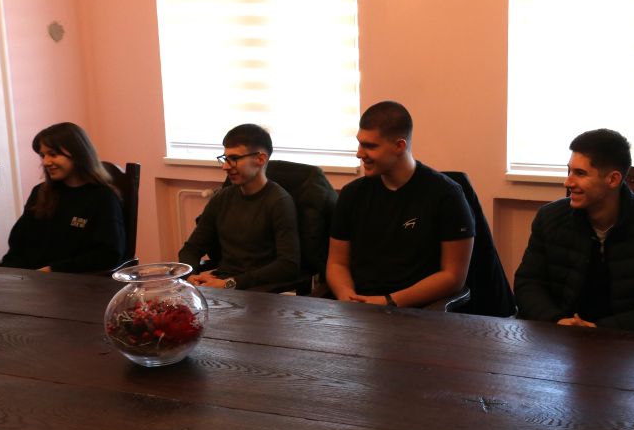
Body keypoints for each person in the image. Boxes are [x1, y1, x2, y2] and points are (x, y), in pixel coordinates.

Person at [514, 129, 634, 333]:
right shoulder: (549, 218)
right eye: (569, 171)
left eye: (580, 173)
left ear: (613, 180)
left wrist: (600, 329)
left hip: (628, 341)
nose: (568, 182)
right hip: (560, 335)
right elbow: (528, 283)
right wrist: (557, 321)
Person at [326, 101, 475, 307]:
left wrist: (388, 302)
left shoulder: (446, 195)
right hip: (358, 308)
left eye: (370, 146)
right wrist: (348, 298)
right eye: (360, 143)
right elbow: (337, 263)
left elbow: (453, 277)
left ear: (399, 146)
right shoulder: (352, 194)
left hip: (417, 311)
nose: (359, 153)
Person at [179, 124, 300, 290]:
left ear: (260, 159)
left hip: (260, 291)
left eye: (234, 158)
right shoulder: (222, 198)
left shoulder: (279, 201)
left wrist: (229, 284)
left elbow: (288, 265)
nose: (225, 166)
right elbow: (191, 249)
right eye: (225, 158)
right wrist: (190, 276)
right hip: (222, 285)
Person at [0, 122, 125, 272]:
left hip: (72, 281)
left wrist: (53, 270)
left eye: (53, 154)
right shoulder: (40, 193)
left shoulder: (103, 198)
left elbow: (108, 254)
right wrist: (7, 274)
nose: (46, 162)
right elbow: (18, 244)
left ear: (78, 154)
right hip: (30, 279)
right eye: (42, 155)